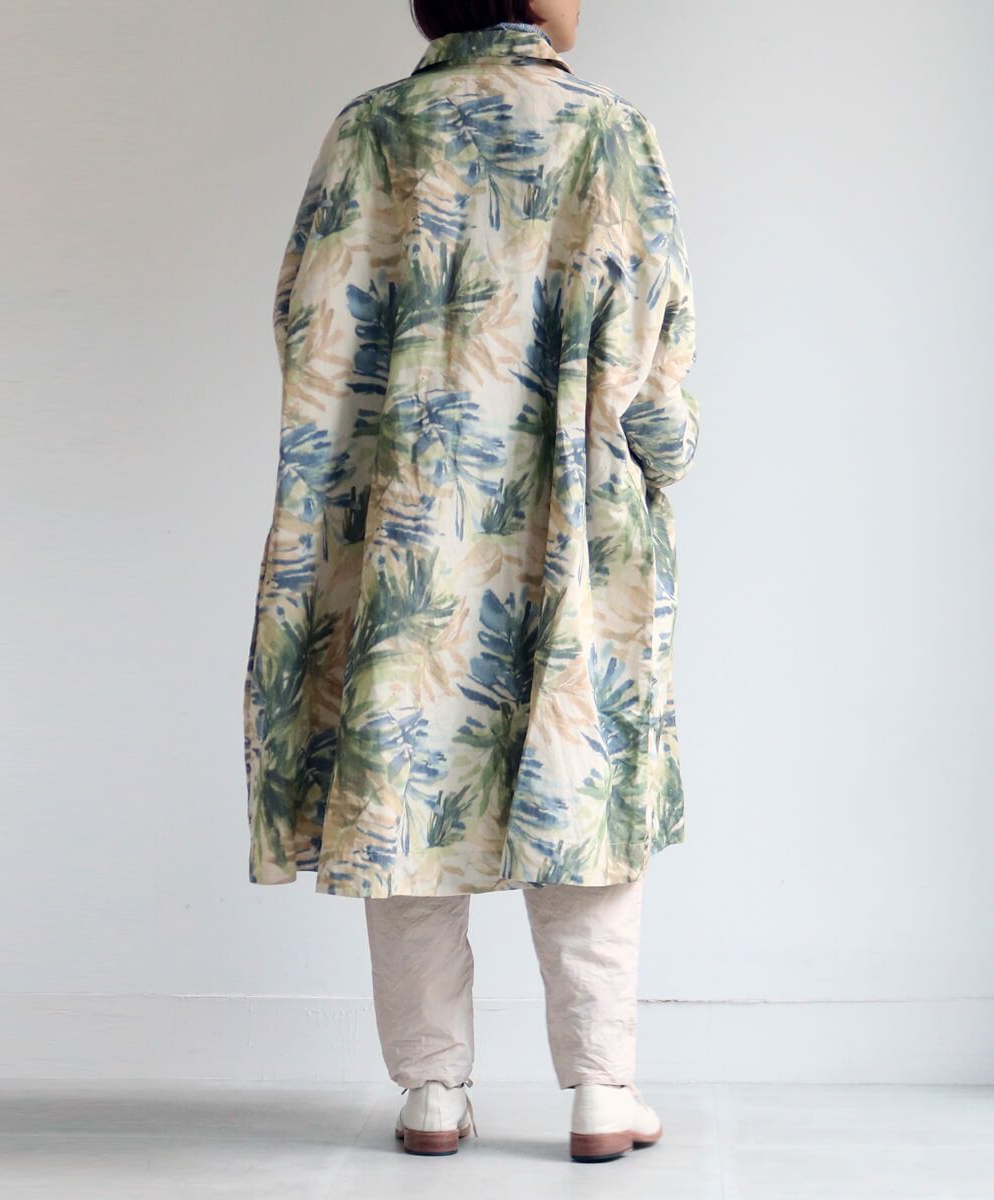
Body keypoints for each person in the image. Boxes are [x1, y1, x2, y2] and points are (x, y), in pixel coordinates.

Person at [243, 0, 700, 1163]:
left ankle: (432, 1091)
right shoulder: (608, 132)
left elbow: (305, 320)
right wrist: (661, 458)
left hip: (402, 515)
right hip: (568, 517)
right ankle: (600, 1091)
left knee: (404, 781)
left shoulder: (369, 132)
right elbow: (654, 345)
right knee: (579, 789)